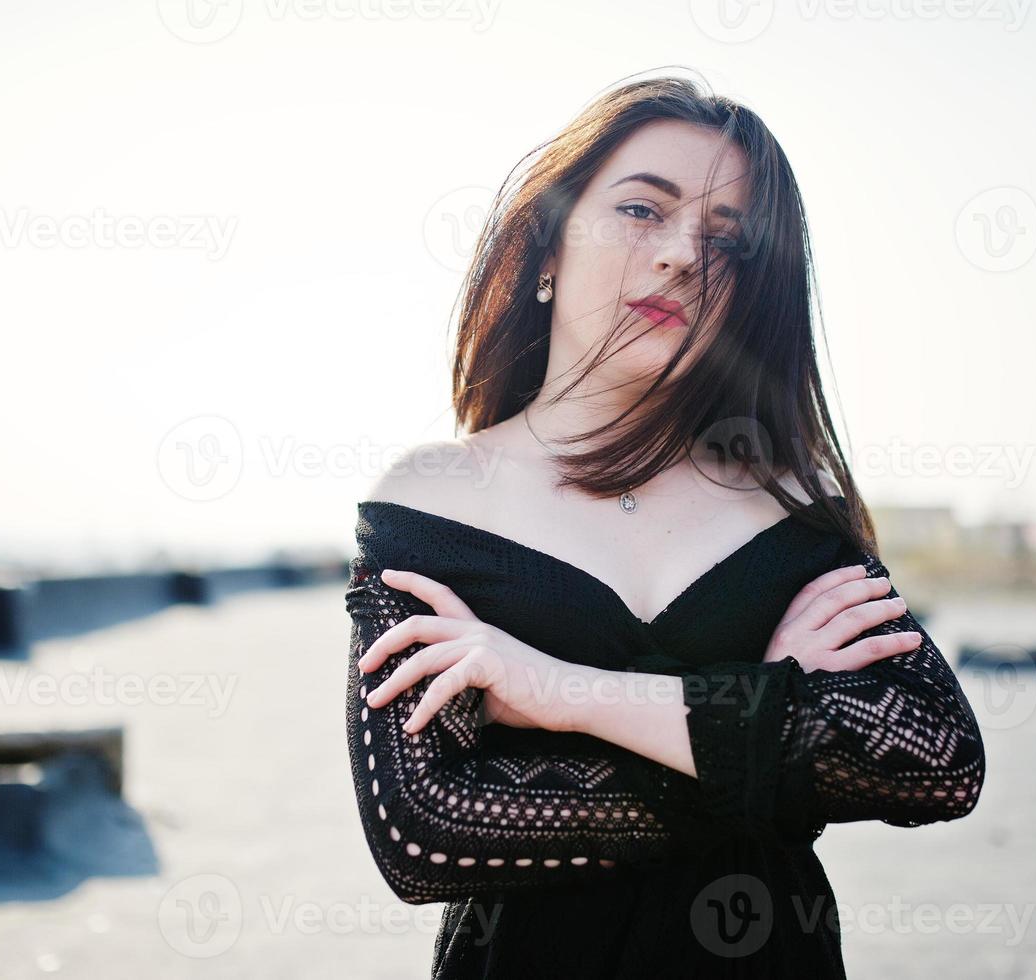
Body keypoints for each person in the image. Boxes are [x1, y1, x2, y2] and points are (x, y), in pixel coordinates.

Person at [343, 72, 986, 978]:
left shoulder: (791, 498)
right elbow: (429, 834)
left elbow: (933, 759)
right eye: (643, 211)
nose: (683, 255)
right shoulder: (437, 497)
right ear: (546, 247)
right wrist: (763, 732)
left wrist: (561, 690)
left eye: (728, 241)